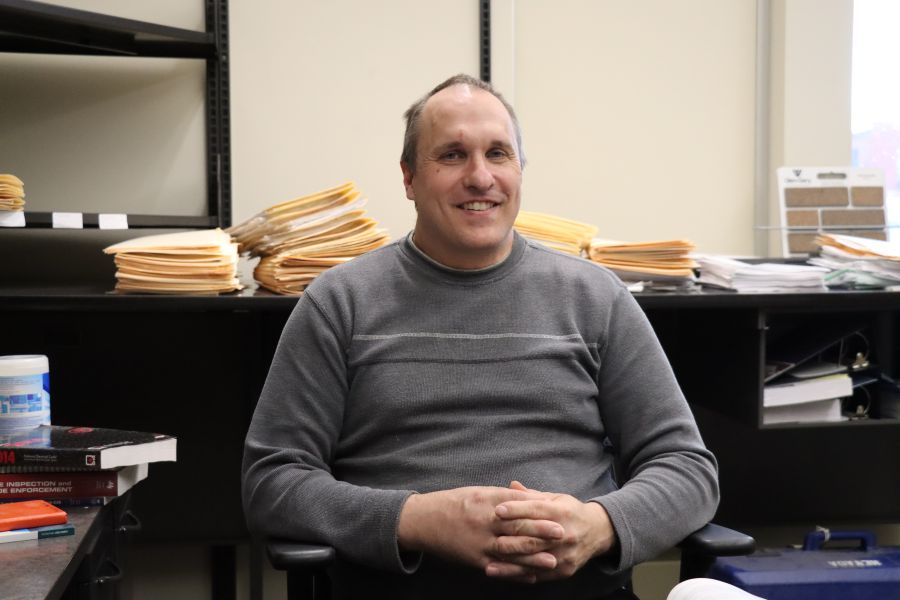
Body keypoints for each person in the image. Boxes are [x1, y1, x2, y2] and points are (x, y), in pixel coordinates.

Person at [242, 74, 719, 599]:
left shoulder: (595, 298)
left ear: (519, 170)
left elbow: (686, 468)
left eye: (498, 154)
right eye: (451, 155)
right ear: (408, 178)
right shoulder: (339, 303)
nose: (480, 177)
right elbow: (273, 481)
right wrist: (414, 520)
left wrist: (599, 525)